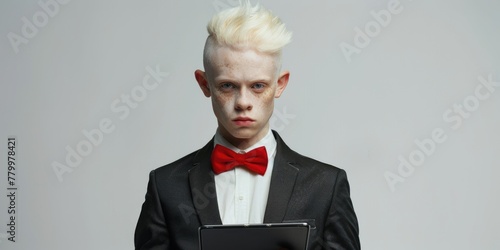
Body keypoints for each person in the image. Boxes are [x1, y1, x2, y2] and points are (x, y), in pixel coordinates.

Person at [135, 3, 360, 249]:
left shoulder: (325, 185)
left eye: (257, 86)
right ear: (204, 84)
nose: (243, 102)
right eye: (227, 86)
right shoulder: (166, 186)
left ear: (280, 84)